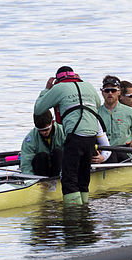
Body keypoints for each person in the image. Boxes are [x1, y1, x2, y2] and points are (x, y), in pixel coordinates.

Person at [34, 66, 102, 206]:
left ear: (57, 80)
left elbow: (38, 109)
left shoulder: (58, 88)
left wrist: (47, 89)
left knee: (69, 177)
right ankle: (85, 210)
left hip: (75, 135)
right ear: (75, 76)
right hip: (91, 136)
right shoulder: (88, 86)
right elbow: (98, 105)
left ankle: (73, 215)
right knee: (83, 175)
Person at [97, 75, 132, 162]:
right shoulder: (95, 113)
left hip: (125, 154)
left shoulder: (131, 113)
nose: (110, 93)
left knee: (116, 154)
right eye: (107, 90)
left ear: (119, 92)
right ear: (102, 93)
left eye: (113, 90)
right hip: (103, 155)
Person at [20, 110, 66, 176]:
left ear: (52, 122)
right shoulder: (30, 138)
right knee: (41, 156)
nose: (44, 132)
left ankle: (59, 178)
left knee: (58, 152)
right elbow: (26, 163)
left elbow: (72, 155)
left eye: (46, 129)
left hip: (60, 169)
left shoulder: (63, 132)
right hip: (41, 170)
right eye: (40, 130)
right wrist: (29, 179)